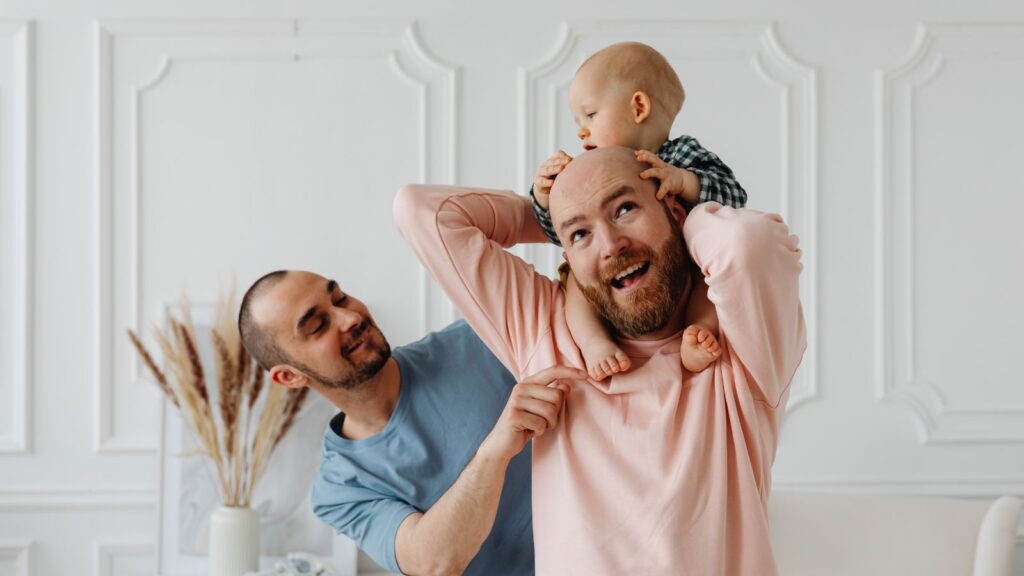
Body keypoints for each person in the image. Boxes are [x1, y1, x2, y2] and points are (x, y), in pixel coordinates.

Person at [395, 146, 806, 575]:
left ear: (676, 215)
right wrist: (548, 214)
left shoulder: (738, 349)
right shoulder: (548, 336)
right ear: (567, 260)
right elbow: (419, 211)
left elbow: (748, 242)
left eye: (625, 208)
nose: (611, 246)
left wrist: (688, 205)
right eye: (580, 235)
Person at [237, 270, 583, 575]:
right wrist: (494, 452)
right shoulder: (341, 489)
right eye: (318, 325)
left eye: (340, 297)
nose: (348, 318)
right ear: (290, 377)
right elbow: (434, 563)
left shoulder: (481, 337)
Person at [531, 41, 748, 380]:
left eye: (590, 114)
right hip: (621, 282)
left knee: (711, 281)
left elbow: (735, 197)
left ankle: (699, 332)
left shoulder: (680, 155)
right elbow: (559, 232)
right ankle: (593, 343)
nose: (581, 131)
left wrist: (683, 180)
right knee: (575, 280)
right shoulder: (590, 172)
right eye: (578, 121)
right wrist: (544, 197)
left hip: (680, 265)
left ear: (639, 106)